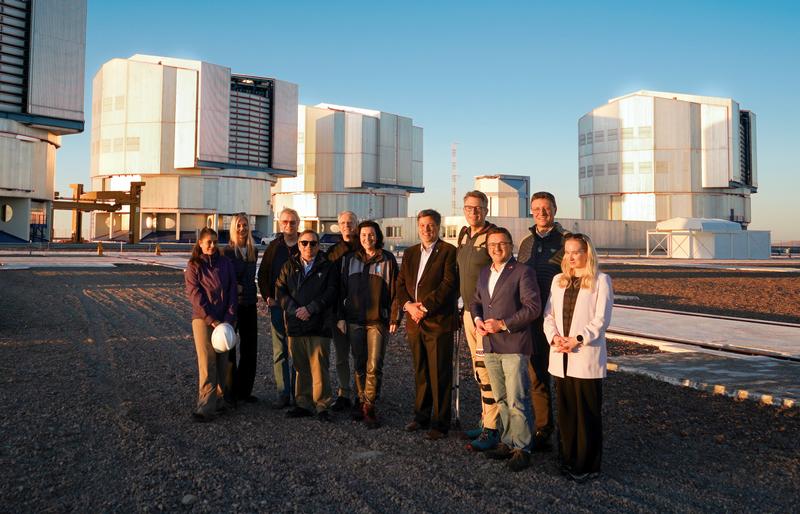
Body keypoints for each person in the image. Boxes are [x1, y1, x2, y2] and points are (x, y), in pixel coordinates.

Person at [543, 233, 613, 481]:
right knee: (567, 412)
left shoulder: (600, 281)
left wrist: (578, 339)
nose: (571, 256)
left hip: (584, 356)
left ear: (587, 253)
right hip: (561, 356)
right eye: (568, 251)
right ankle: (567, 459)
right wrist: (554, 338)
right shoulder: (558, 281)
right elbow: (548, 315)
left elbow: (601, 320)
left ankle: (587, 465)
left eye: (577, 251)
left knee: (587, 414)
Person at [470, 227, 541, 472]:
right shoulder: (483, 273)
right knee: (500, 398)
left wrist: (502, 324)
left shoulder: (523, 272)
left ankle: (523, 448)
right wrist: (478, 320)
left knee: (516, 398)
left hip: (513, 344)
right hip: (490, 345)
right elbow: (476, 302)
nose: (496, 248)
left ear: (511, 246)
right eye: (491, 244)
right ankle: (508, 440)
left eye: (501, 243)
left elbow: (532, 307)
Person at [393, 209, 459, 440]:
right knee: (420, 370)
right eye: (422, 225)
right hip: (414, 322)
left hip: (438, 322)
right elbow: (400, 284)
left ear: (438, 227)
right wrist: (409, 307)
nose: (426, 229)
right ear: (418, 227)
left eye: (430, 225)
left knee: (439, 372)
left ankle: (441, 423)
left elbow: (448, 285)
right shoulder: (410, 253)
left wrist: (425, 308)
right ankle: (420, 416)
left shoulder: (449, 252)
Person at [516, 191, 570, 451]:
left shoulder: (567, 241)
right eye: (536, 208)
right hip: (533, 320)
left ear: (555, 209)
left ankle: (568, 432)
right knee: (537, 375)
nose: (541, 213)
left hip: (561, 321)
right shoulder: (526, 242)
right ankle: (543, 429)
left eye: (545, 208)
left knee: (563, 378)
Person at [337, 221, 398, 428]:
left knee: (375, 364)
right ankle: (360, 400)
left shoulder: (387, 260)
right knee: (359, 363)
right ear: (359, 237)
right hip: (354, 319)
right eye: (363, 235)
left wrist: (394, 317)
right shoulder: (349, 260)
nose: (367, 238)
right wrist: (341, 317)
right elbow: (341, 291)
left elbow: (395, 292)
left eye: (371, 234)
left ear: (377, 236)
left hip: (377, 320)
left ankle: (369, 406)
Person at [275, 229, 338, 421]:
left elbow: (331, 292)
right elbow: (280, 290)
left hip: (319, 324)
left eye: (312, 243)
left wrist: (311, 308)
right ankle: (303, 403)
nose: (308, 247)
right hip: (296, 324)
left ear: (318, 246)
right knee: (300, 366)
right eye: (304, 243)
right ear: (299, 245)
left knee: (319, 366)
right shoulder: (289, 266)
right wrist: (295, 310)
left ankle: (322, 405)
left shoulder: (327, 267)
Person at [455, 191, 501, 451]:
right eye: (469, 207)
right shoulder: (464, 234)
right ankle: (486, 420)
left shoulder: (493, 235)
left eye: (478, 208)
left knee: (488, 370)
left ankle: (493, 429)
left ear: (486, 208)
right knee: (477, 370)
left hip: (485, 315)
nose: (474, 212)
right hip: (468, 313)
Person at [185, 227, 238, 422]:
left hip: (224, 320)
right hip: (203, 319)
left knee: (223, 361)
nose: (212, 246)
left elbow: (232, 289)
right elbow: (195, 295)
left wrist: (228, 318)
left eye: (215, 242)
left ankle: (220, 400)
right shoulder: (194, 266)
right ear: (200, 243)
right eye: (208, 242)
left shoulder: (225, 263)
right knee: (207, 361)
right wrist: (211, 320)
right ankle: (205, 406)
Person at [257, 208, 300, 408]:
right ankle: (283, 393)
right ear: (280, 224)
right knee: (280, 351)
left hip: (299, 309)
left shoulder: (305, 244)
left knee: (297, 351)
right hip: (277, 307)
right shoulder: (274, 247)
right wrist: (267, 297)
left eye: (292, 222)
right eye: (285, 222)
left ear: (298, 223)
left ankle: (299, 393)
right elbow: (263, 274)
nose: (288, 225)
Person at [223, 213, 260, 403]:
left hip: (250, 303)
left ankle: (245, 390)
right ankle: (230, 391)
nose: (242, 229)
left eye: (245, 225)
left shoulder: (253, 250)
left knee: (249, 348)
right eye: (238, 225)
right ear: (233, 227)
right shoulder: (228, 252)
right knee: (230, 347)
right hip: (233, 306)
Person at [325, 211, 359, 411]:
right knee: (340, 356)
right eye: (344, 223)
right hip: (338, 312)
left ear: (356, 224)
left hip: (359, 313)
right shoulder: (333, 252)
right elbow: (330, 285)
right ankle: (344, 393)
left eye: (350, 222)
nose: (347, 225)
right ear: (339, 225)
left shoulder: (363, 248)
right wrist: (336, 315)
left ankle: (361, 395)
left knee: (360, 356)